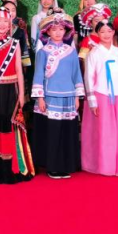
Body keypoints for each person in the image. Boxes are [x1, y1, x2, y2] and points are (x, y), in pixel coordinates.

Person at [31, 11, 83, 179]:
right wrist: (40, 98)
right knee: (52, 133)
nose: (58, 32)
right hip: (50, 97)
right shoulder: (43, 51)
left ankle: (66, 164)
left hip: (68, 97)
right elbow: (38, 75)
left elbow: (76, 74)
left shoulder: (71, 51)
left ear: (65, 31)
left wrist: (77, 96)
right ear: (48, 32)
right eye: (54, 29)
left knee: (67, 132)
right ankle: (52, 166)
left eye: (61, 29)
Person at [81, 21, 118, 176]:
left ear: (113, 33)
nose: (106, 34)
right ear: (98, 33)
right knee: (104, 130)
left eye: (109, 31)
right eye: (102, 31)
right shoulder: (94, 53)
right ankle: (105, 165)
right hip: (101, 94)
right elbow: (89, 76)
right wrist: (92, 99)